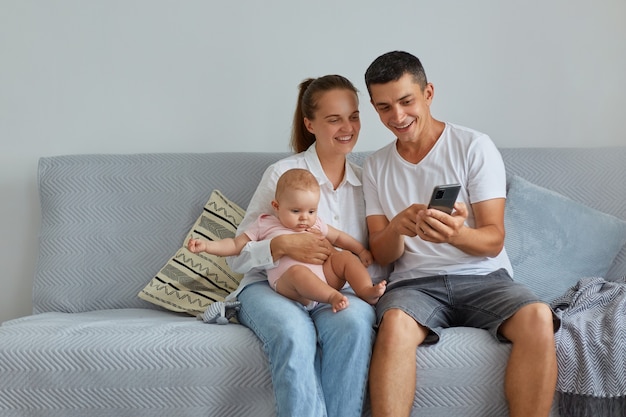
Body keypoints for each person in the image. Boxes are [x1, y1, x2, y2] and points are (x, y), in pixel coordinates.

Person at [361, 51, 559, 417]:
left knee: (538, 317)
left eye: (407, 101)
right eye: (384, 107)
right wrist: (397, 227)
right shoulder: (374, 166)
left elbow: (493, 239)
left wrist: (455, 235)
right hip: (415, 285)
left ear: (428, 93)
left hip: (485, 278)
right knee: (394, 326)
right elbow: (382, 253)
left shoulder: (473, 146)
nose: (398, 117)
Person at [225, 74, 387, 417]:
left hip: (334, 289)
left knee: (355, 324)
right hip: (270, 287)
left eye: (354, 116)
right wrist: (280, 246)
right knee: (292, 332)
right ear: (309, 123)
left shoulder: (367, 180)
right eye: (334, 119)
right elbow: (237, 259)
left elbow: (367, 255)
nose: (347, 127)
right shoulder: (282, 174)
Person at [189, 168, 386, 312]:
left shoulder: (314, 223)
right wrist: (207, 245)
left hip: (325, 277)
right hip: (289, 284)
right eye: (296, 211)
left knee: (346, 258)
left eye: (311, 211)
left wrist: (360, 251)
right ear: (276, 206)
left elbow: (339, 237)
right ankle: (332, 297)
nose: (304, 217)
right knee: (298, 272)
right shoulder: (265, 224)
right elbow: (234, 245)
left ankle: (366, 290)